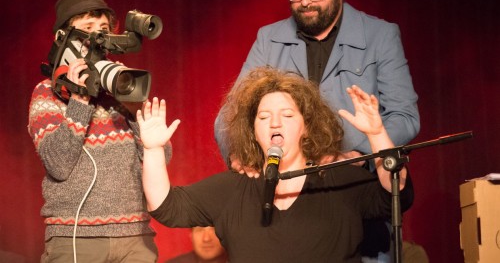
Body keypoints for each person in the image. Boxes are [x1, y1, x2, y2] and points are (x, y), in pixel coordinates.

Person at [213, 0, 420, 261]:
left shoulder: (380, 35)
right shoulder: (269, 39)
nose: (304, 2)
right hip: (290, 204)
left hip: (355, 198)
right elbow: (229, 116)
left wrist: (355, 154)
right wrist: (239, 154)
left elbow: (405, 118)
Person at [139, 67, 414, 263]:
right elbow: (166, 207)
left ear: (306, 127)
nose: (275, 123)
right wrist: (151, 150)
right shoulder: (233, 189)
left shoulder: (339, 181)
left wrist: (377, 134)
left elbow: (397, 194)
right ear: (252, 131)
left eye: (287, 114)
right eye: (263, 116)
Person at [28, 0, 169, 262]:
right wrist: (80, 101)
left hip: (135, 238)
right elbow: (57, 163)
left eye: (103, 29)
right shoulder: (46, 93)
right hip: (76, 238)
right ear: (63, 38)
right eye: (88, 28)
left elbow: (163, 159)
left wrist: (133, 111)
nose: (96, 37)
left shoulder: (123, 88)